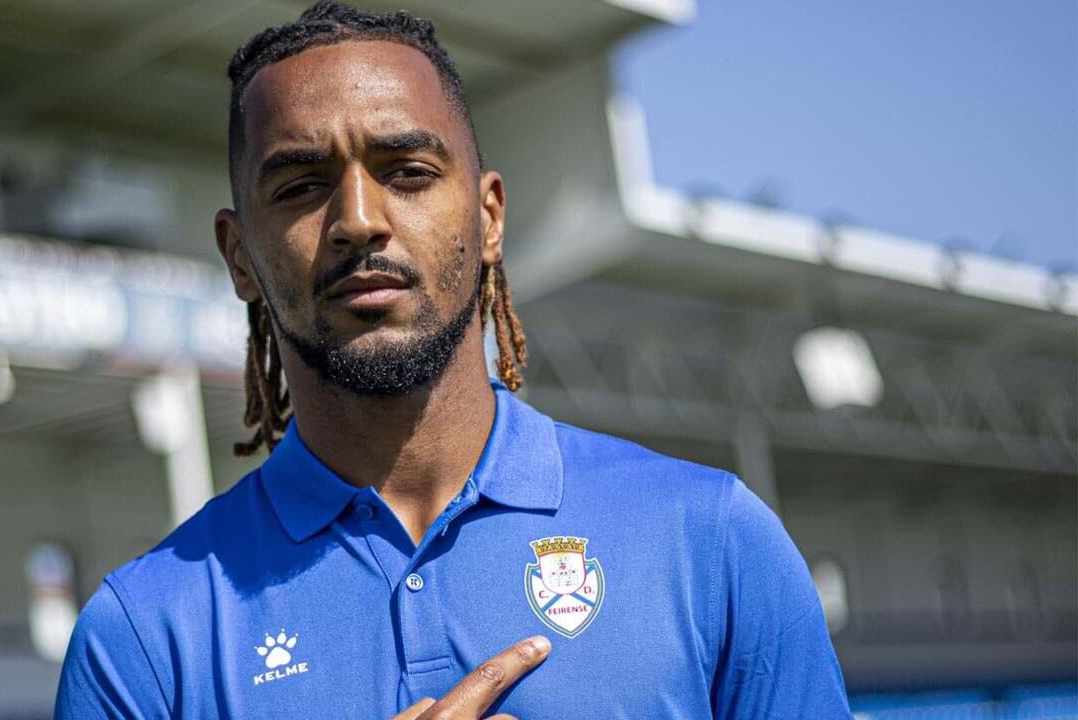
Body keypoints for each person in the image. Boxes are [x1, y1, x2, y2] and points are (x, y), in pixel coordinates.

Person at [54, 2, 853, 718]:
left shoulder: (711, 538)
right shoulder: (141, 639)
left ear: (488, 216)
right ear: (239, 256)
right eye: (300, 187)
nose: (358, 220)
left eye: (408, 173)